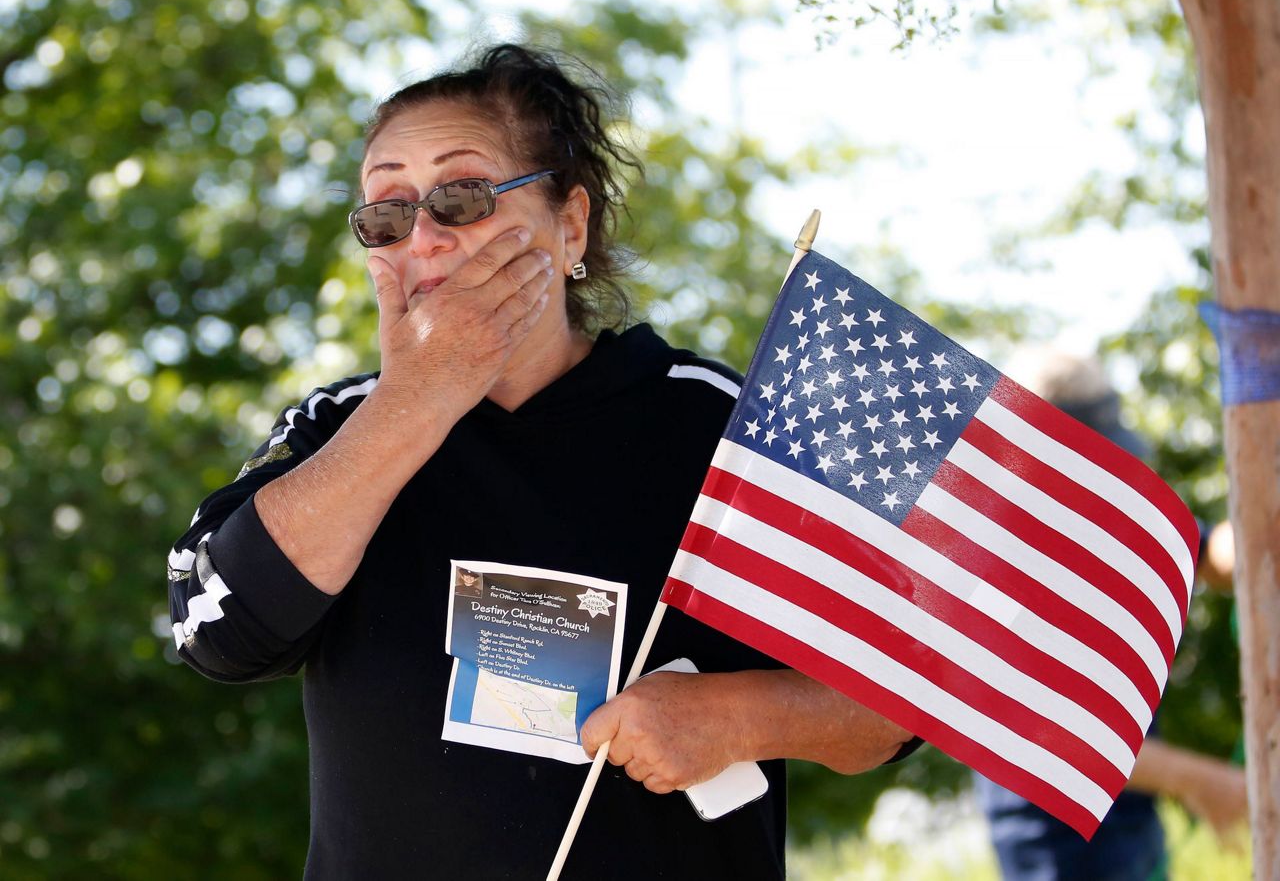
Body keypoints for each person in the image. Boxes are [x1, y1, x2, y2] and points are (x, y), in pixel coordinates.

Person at [166, 44, 913, 879]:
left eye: (461, 196)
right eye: (386, 211)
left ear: (570, 226)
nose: (423, 236)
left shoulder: (716, 421)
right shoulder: (338, 424)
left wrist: (740, 715)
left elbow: (904, 696)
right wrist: (417, 399)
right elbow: (211, 631)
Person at [976, 350, 1247, 881]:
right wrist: (1201, 780)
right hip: (1054, 843)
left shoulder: (1115, 519)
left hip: (1132, 824)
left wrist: (1254, 530)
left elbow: (1207, 553)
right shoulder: (996, 566)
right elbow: (1052, 734)